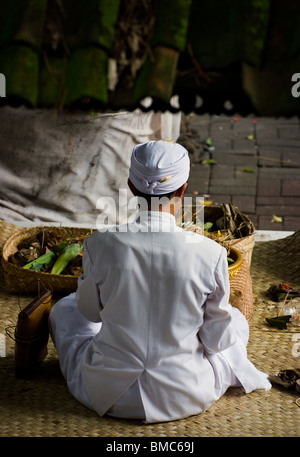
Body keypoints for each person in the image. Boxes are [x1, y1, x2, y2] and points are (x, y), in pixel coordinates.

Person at [49, 140, 271, 423]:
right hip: (184, 394)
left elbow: (91, 313)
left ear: (131, 187)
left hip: (107, 393)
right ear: (183, 190)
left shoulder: (98, 244)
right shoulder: (210, 253)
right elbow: (215, 341)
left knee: (66, 309)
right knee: (235, 322)